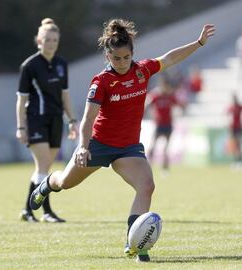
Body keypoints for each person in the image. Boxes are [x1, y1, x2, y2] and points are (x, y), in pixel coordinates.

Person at [29, 19, 215, 261]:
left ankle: (136, 244)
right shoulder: (101, 82)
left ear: (132, 55)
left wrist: (199, 43)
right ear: (108, 56)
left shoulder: (142, 70)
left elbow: (169, 58)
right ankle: (46, 185)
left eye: (126, 57)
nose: (121, 63)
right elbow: (88, 118)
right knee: (65, 182)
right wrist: (83, 147)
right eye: (116, 59)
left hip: (128, 148)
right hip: (98, 146)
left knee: (147, 186)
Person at [16, 18, 78, 223]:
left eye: (55, 40)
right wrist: (21, 127)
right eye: (47, 39)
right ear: (39, 41)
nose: (51, 43)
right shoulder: (29, 66)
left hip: (56, 120)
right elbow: (21, 100)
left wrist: (72, 120)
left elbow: (65, 95)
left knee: (42, 169)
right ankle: (47, 212)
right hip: (36, 121)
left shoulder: (61, 64)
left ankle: (27, 210)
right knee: (44, 167)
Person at [145, 74, 185, 173]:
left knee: (166, 148)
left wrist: (182, 107)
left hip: (168, 124)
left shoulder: (170, 96)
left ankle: (165, 169)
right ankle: (148, 167)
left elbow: (180, 105)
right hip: (159, 124)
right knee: (153, 146)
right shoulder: (156, 95)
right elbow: (147, 105)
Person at [226, 93, 242, 170]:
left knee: (239, 145)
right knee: (234, 146)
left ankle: (241, 161)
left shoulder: (240, 107)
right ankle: (236, 161)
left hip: (239, 128)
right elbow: (226, 115)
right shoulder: (231, 107)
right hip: (233, 128)